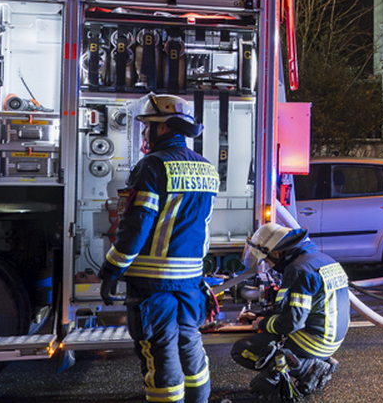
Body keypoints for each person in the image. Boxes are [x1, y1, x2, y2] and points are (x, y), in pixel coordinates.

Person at [99, 93, 220, 403]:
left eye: (149, 126)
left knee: (160, 349)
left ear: (163, 128)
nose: (145, 133)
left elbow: (137, 225)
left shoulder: (153, 165)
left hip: (154, 283)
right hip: (191, 280)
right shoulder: (206, 168)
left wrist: (113, 269)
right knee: (190, 344)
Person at [231, 222, 349, 399]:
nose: (268, 265)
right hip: (331, 339)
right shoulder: (321, 260)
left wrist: (262, 323)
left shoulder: (298, 269)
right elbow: (296, 310)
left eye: (267, 259)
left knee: (242, 350)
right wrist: (261, 315)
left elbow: (292, 322)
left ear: (277, 253)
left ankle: (308, 368)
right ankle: (318, 361)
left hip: (312, 341)